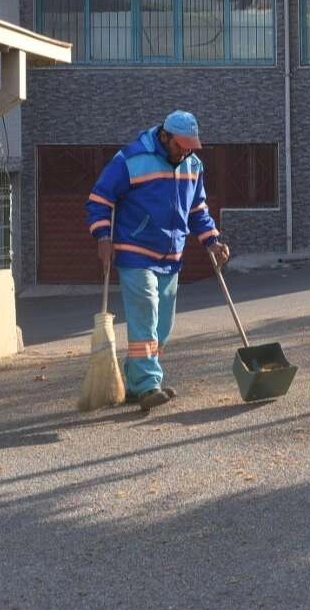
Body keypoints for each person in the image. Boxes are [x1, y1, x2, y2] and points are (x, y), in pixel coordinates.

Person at [85, 111, 231, 411]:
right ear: (164, 137)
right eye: (180, 145)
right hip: (135, 251)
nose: (186, 150)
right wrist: (102, 237)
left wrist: (213, 241)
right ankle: (148, 383)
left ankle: (136, 380)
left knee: (162, 324)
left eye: (191, 145)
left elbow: (197, 210)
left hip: (171, 255)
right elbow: (100, 200)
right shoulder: (131, 159)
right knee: (146, 311)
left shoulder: (193, 165)